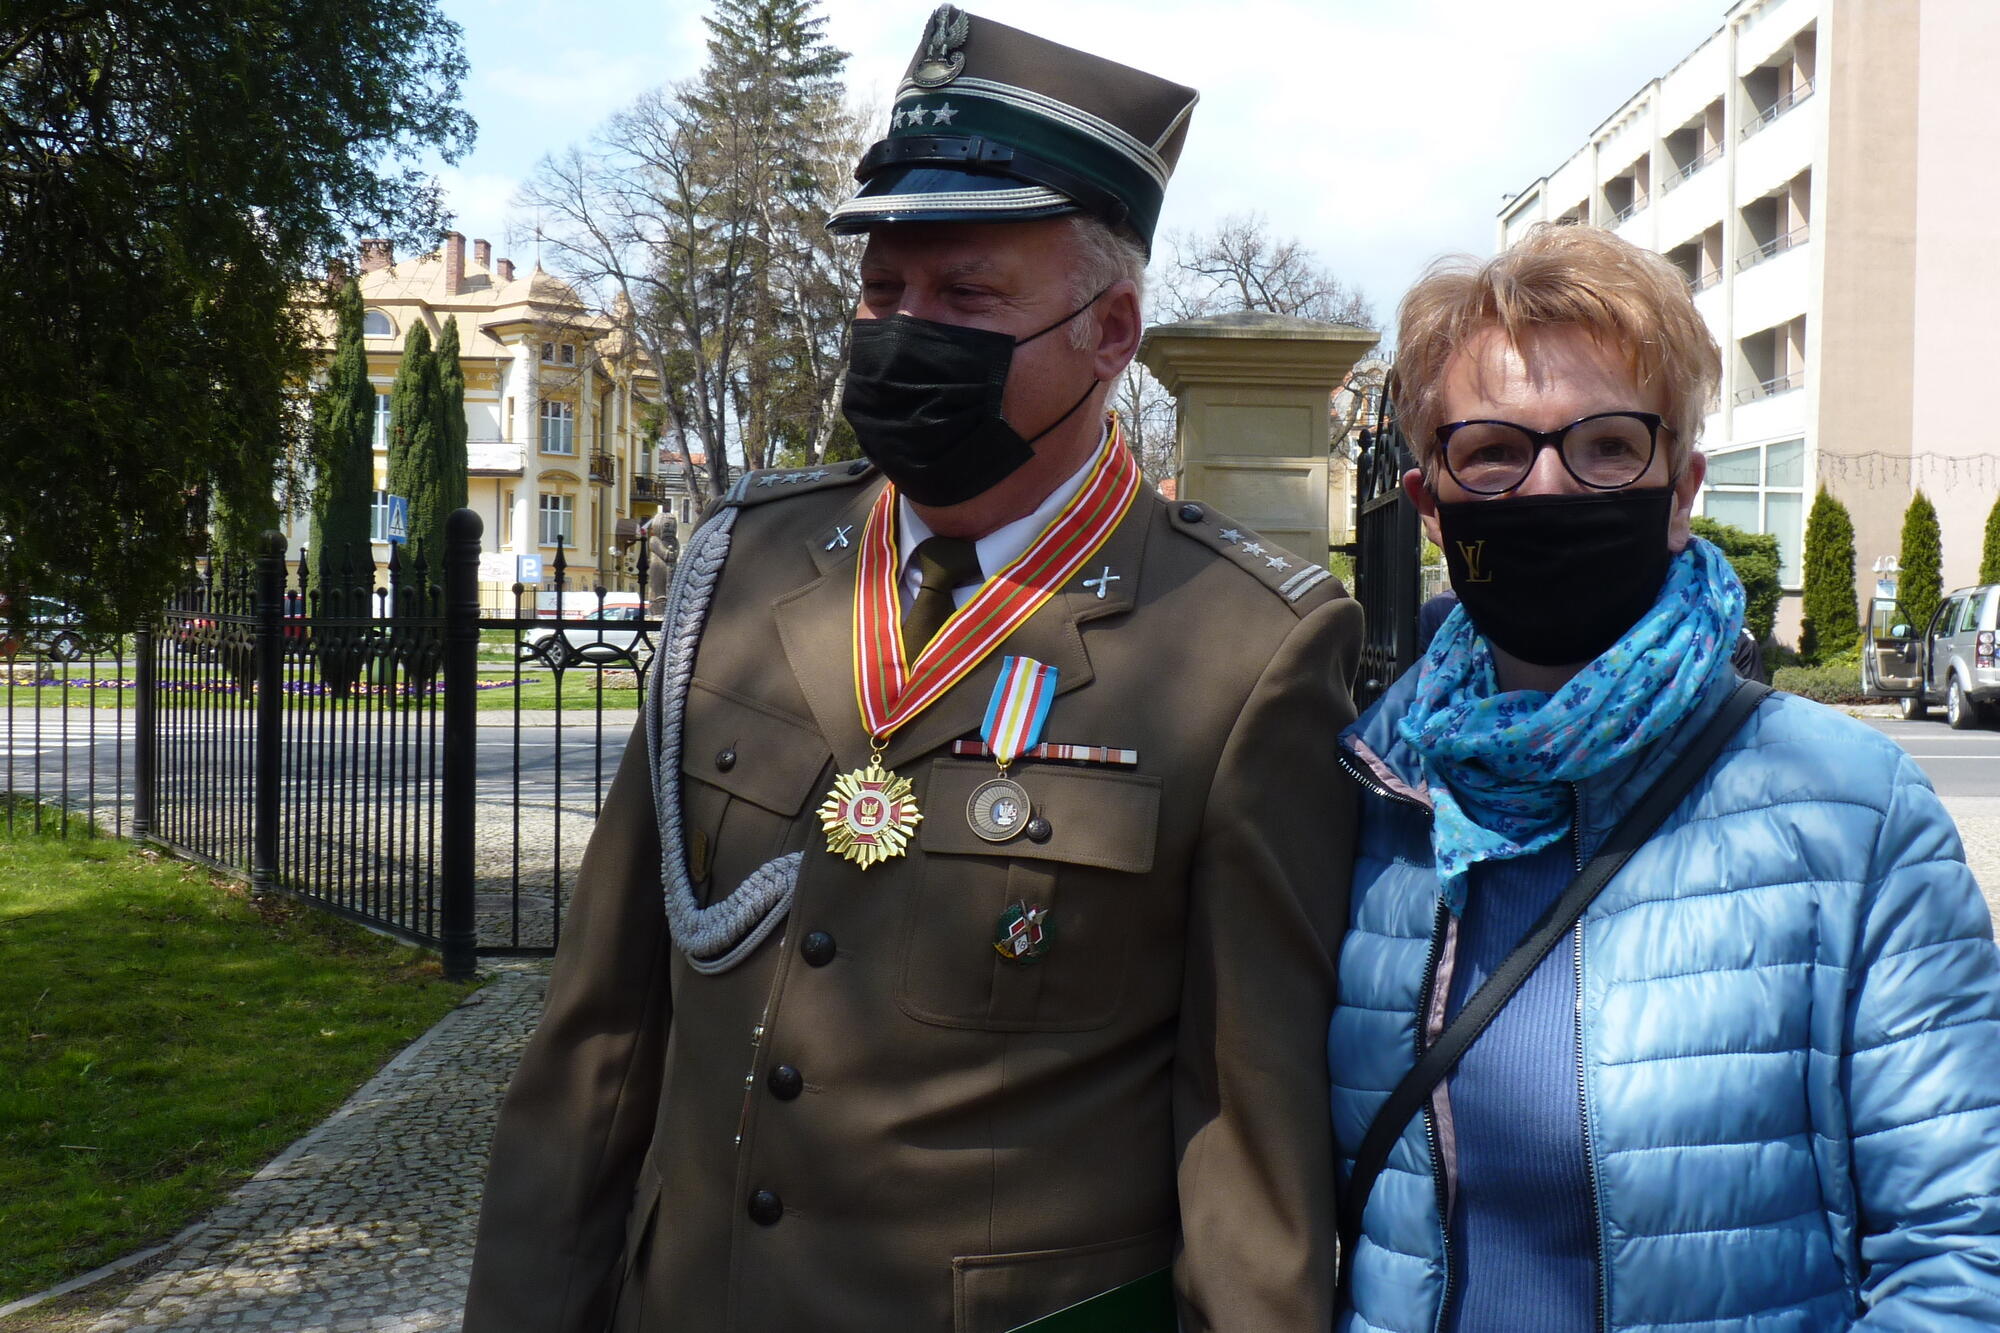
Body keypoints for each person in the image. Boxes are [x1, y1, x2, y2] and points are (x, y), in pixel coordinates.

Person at [464, 9, 1364, 1331]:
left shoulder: (1243, 649)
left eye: (966, 298)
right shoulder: (744, 569)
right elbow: (600, 1033)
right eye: (882, 293)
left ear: (1112, 330)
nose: (902, 331)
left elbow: (1242, 1130)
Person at [1328, 223, 2000, 1332]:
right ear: (1430, 504)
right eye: (1492, 451)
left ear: (1681, 488)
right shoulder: (1366, 795)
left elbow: (1961, 1250)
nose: (1549, 485)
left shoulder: (1851, 813)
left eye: (1606, 445)